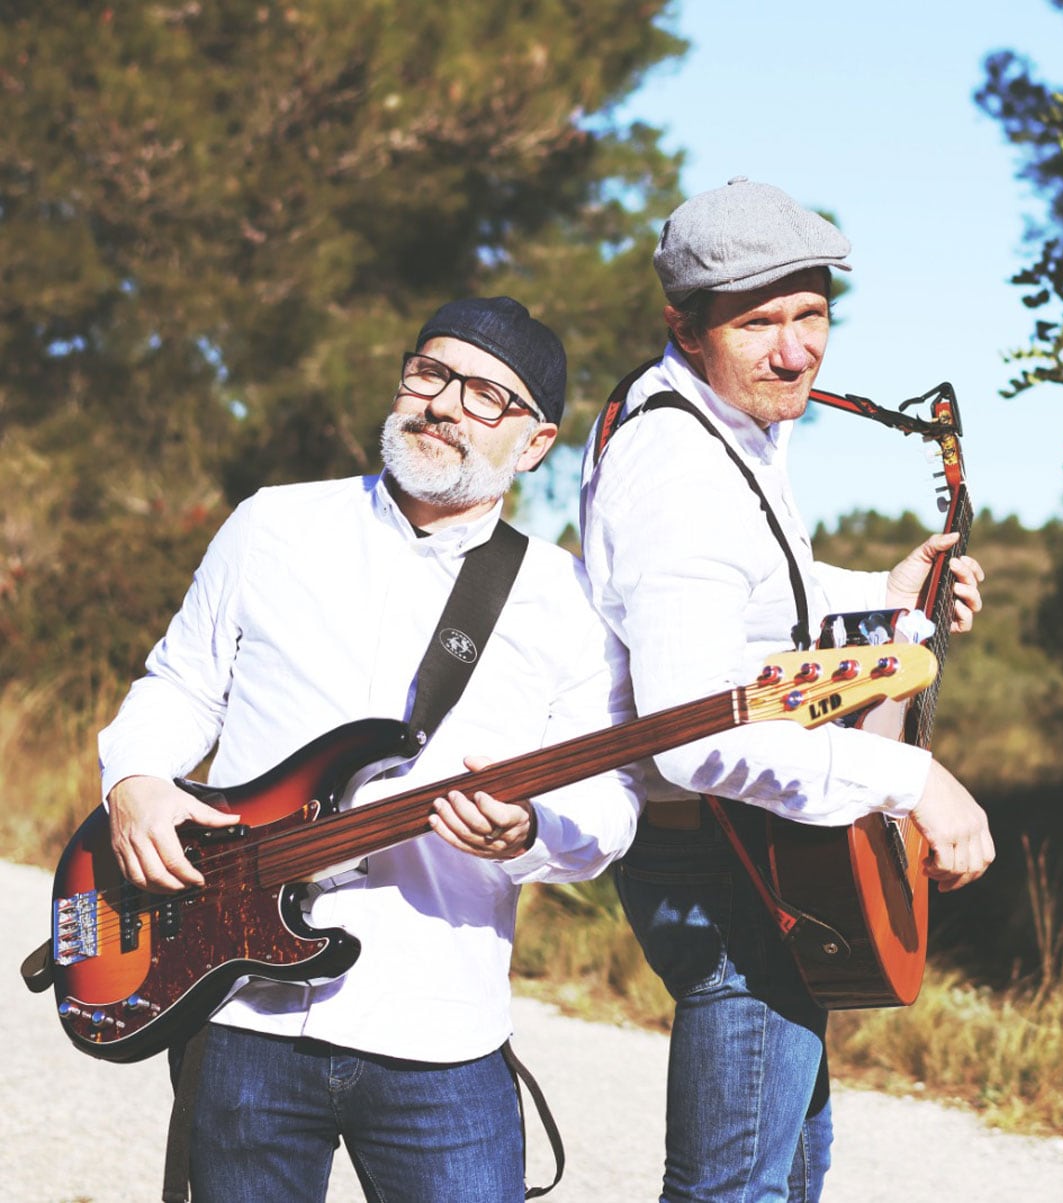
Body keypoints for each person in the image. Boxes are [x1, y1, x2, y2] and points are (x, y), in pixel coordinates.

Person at [100, 297, 640, 1202]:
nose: (443, 403)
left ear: (537, 443)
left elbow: (612, 804)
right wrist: (137, 779)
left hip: (439, 1032)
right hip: (241, 1013)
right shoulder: (272, 525)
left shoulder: (568, 602)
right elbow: (180, 684)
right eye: (429, 373)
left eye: (485, 395)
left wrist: (532, 830)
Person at [579, 177, 997, 1203]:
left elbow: (748, 596)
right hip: (726, 860)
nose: (796, 351)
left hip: (752, 846)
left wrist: (879, 591)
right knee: (740, 1193)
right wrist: (908, 780)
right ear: (683, 324)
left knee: (788, 1171)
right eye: (759, 322)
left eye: (812, 316)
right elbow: (689, 730)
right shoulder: (680, 465)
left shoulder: (724, 421)